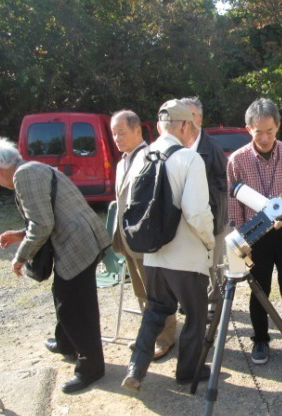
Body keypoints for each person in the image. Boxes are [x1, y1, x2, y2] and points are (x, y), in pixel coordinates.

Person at [0, 137, 111, 394]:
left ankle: (91, 367)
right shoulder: (32, 168)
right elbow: (45, 216)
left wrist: (21, 256)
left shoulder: (24, 176)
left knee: (75, 308)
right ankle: (66, 344)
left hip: (77, 245)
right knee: (64, 296)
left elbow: (43, 225)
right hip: (83, 238)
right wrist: (19, 234)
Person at [121, 100, 215, 392]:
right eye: (193, 126)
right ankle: (188, 372)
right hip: (186, 258)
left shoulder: (141, 157)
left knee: (155, 311)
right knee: (196, 316)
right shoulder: (189, 158)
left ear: (161, 125)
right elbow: (196, 212)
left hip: (153, 256)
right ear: (186, 125)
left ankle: (136, 369)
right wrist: (210, 242)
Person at [227, 98, 282, 374]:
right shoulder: (237, 160)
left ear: (278, 126)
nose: (264, 138)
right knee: (258, 291)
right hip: (256, 237)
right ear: (248, 129)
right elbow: (234, 205)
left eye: (270, 131)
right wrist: (242, 244)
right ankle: (261, 341)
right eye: (258, 132)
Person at [110, 110, 176, 360]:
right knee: (140, 291)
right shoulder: (121, 161)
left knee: (157, 292)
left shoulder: (152, 157)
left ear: (137, 130)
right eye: (114, 133)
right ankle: (148, 334)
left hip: (146, 238)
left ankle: (166, 338)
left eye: (121, 133)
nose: (116, 138)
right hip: (127, 239)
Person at [180, 97, 228, 319]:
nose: (189, 121)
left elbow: (222, 183)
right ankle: (191, 300)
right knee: (188, 261)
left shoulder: (211, 147)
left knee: (214, 263)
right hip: (183, 219)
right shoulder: (176, 144)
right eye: (185, 116)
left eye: (193, 116)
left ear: (200, 118)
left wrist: (201, 196)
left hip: (212, 217)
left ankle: (214, 302)